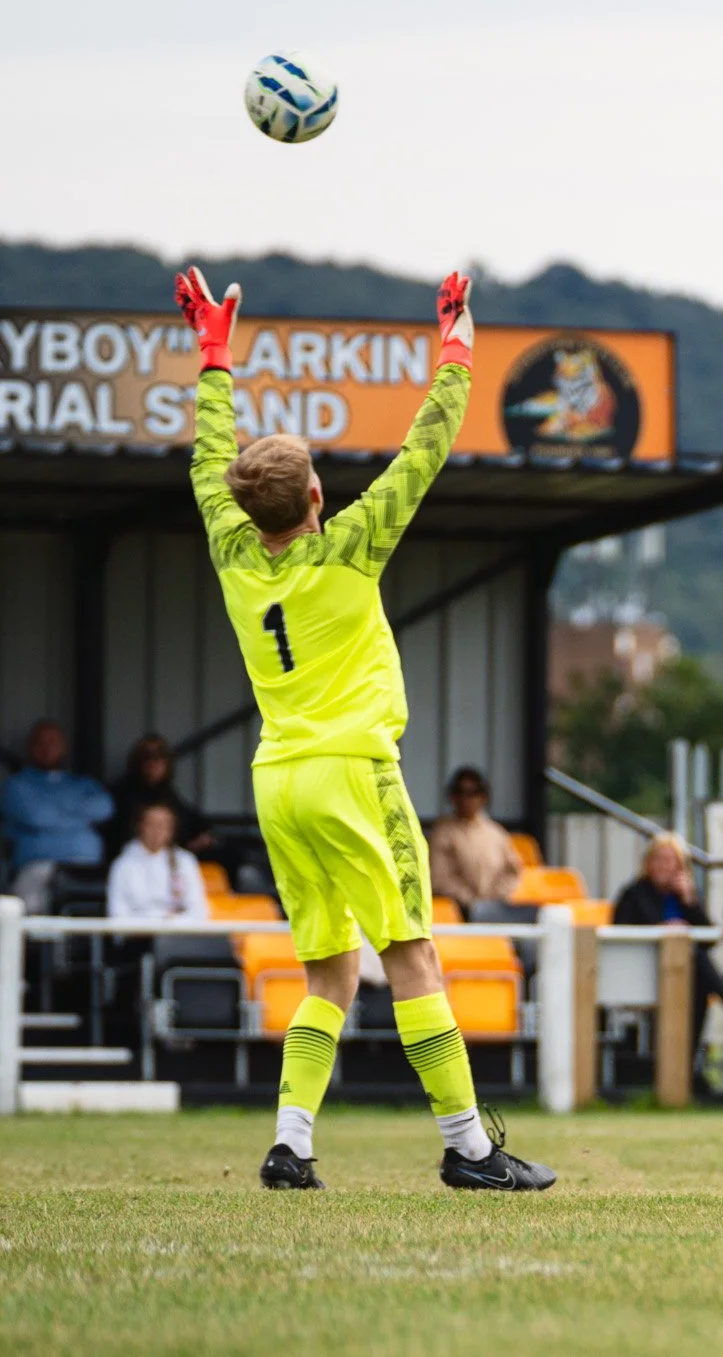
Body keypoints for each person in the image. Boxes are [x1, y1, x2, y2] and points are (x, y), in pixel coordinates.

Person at [176, 265, 551, 1191]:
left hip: (277, 777)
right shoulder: (348, 545)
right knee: (411, 951)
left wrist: (214, 359)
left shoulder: (232, 552)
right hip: (352, 770)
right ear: (314, 500)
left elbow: (204, 459)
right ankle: (471, 1149)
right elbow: (427, 445)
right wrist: (456, 339)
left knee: (329, 970)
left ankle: (291, 1142)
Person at [613, 833, 723, 1102]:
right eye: (659, 860)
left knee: (697, 978)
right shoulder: (633, 893)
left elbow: (710, 939)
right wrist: (660, 931)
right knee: (694, 957)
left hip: (687, 975)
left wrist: (690, 901)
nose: (665, 867)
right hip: (645, 970)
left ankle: (684, 1078)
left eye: (671, 861)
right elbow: (621, 930)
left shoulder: (685, 897)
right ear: (648, 863)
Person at [1, 719, 116, 912]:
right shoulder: (17, 785)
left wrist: (55, 807)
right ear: (30, 748)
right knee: (32, 916)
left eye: (53, 742)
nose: (47, 748)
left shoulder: (82, 783)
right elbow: (37, 816)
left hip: (85, 869)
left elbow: (105, 809)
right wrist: (81, 819)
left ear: (63, 747)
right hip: (38, 868)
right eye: (40, 743)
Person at [427, 767, 525, 915]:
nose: (466, 799)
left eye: (474, 792)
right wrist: (470, 901)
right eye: (460, 792)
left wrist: (495, 897)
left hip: (496, 905)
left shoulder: (495, 832)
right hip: (458, 910)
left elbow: (512, 871)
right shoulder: (443, 832)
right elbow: (440, 878)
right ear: (452, 797)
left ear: (483, 797)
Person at [107, 733, 216, 857]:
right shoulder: (123, 794)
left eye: (161, 755)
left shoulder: (166, 792)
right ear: (137, 761)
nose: (155, 762)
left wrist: (203, 836)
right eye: (148, 756)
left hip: (175, 854)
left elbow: (193, 819)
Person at [106, 802, 209, 924]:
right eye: (151, 824)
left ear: (171, 830)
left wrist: (172, 922)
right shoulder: (123, 865)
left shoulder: (185, 861)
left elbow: (198, 911)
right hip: (140, 936)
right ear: (140, 826)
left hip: (179, 934)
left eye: (163, 825)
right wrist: (155, 922)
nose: (157, 831)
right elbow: (117, 916)